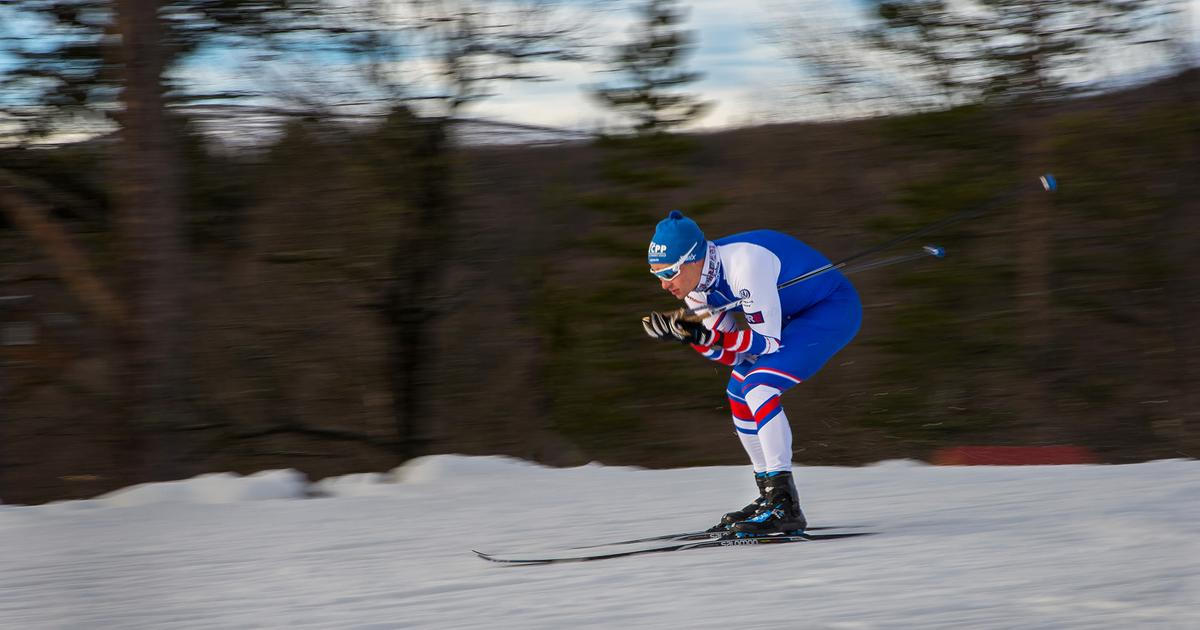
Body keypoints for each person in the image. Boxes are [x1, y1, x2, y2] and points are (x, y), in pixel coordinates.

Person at [642, 210, 862, 535]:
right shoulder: (695, 288)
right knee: (738, 389)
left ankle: (785, 505)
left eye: (669, 272)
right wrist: (691, 337)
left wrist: (703, 335)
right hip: (791, 318)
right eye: (656, 273)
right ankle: (769, 495)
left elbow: (766, 343)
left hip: (830, 309)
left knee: (760, 386)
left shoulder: (745, 264)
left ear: (693, 259)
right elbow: (734, 354)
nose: (664, 284)